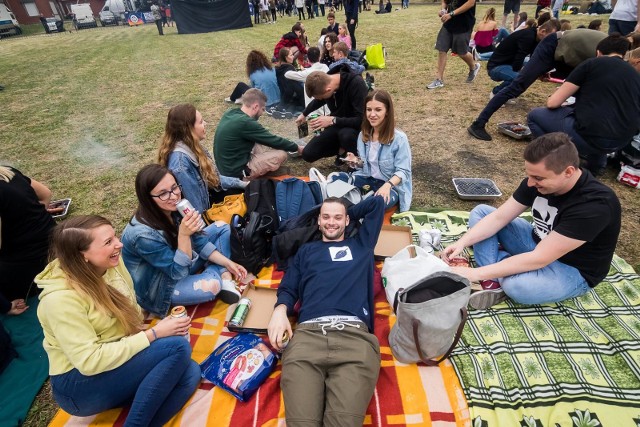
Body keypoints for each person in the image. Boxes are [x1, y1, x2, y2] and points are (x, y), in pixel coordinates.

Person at [36, 215, 201, 424]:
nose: (119, 244)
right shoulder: (60, 300)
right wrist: (154, 334)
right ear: (82, 255)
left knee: (190, 372)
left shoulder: (111, 263)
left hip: (114, 362)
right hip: (79, 386)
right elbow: (90, 361)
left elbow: (130, 305)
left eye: (115, 236)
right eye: (108, 242)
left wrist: (142, 335)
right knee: (177, 348)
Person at [442, 133, 621, 310]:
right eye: (529, 175)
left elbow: (540, 258)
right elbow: (499, 217)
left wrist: (474, 273)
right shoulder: (537, 182)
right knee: (481, 212)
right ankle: (496, 278)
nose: (530, 183)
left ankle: (498, 269)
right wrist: (461, 242)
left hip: (572, 268)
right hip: (538, 242)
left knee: (518, 288)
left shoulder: (594, 205)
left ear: (568, 172)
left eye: (538, 178)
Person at [267, 195, 385, 426]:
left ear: (348, 220)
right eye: (326, 217)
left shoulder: (362, 244)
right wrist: (280, 311)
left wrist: (343, 211)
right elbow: (289, 287)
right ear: (318, 221)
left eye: (338, 218)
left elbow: (377, 204)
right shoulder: (306, 252)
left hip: (355, 340)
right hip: (308, 339)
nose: (332, 222)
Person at [122, 165, 247, 317]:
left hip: (184, 260)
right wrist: (184, 235)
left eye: (175, 187)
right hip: (162, 287)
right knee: (211, 286)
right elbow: (178, 273)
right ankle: (219, 276)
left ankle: (223, 274)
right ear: (148, 199)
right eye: (163, 194)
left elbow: (200, 242)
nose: (174, 196)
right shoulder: (142, 235)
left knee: (222, 228)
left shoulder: (177, 208)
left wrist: (228, 263)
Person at [467, 28, 607, 141]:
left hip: (569, 55)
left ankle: (571, 132)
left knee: (580, 89)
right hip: (553, 45)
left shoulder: (617, 49)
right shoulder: (611, 51)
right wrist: (539, 68)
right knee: (517, 86)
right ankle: (478, 124)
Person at [527, 35, 640, 174]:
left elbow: (552, 103)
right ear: (623, 54)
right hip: (621, 142)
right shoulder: (634, 74)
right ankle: (596, 166)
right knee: (603, 121)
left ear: (598, 52)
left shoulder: (591, 64)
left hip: (591, 137)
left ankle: (556, 157)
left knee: (534, 116)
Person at [157, 104, 246, 211]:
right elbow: (196, 209)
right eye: (200, 122)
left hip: (208, 201)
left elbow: (214, 179)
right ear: (189, 129)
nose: (205, 124)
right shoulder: (181, 164)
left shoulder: (192, 147)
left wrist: (243, 184)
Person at [338, 90, 412, 211]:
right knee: (336, 178)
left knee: (376, 202)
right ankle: (356, 202)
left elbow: (403, 171)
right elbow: (365, 165)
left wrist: (388, 185)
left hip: (390, 186)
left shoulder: (399, 139)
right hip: (367, 179)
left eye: (378, 110)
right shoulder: (363, 135)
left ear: (387, 111)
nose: (372, 114)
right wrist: (355, 161)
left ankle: (354, 204)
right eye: (369, 110)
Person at [0, 166, 56, 316]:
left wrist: (5, 307)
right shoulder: (7, 172)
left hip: (30, 268)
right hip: (57, 246)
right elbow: (46, 194)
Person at [214, 88, 302, 179]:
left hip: (227, 165)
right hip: (237, 172)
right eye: (263, 109)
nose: (262, 113)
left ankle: (258, 160)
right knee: (282, 154)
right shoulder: (246, 123)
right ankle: (250, 174)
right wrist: (297, 147)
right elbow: (273, 140)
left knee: (257, 140)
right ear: (255, 107)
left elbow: (265, 137)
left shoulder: (231, 113)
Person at [295, 68, 368, 163]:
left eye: (322, 97)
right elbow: (318, 100)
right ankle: (341, 151)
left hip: (354, 128)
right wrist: (304, 113)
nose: (321, 99)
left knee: (346, 135)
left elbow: (361, 120)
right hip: (337, 125)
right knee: (308, 154)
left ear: (328, 90)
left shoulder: (356, 84)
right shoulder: (327, 80)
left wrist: (332, 120)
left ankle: (356, 160)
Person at [485, 19, 559, 98]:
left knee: (522, 76)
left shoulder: (536, 37)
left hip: (507, 64)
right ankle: (496, 93)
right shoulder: (528, 37)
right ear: (543, 31)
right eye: (551, 36)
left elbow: (535, 60)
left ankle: (506, 93)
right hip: (496, 67)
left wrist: (541, 73)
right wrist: (524, 75)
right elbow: (519, 59)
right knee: (518, 78)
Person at [426, 0, 481, 89]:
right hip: (449, 24)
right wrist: (443, 9)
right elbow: (445, 1)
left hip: (463, 25)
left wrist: (451, 14)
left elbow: (471, 3)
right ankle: (439, 79)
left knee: (461, 52)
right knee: (442, 49)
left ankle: (473, 67)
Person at [285, 47, 330, 113]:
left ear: (308, 59)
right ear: (319, 57)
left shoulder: (307, 73)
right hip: (327, 108)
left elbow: (287, 74)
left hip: (314, 111)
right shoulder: (325, 67)